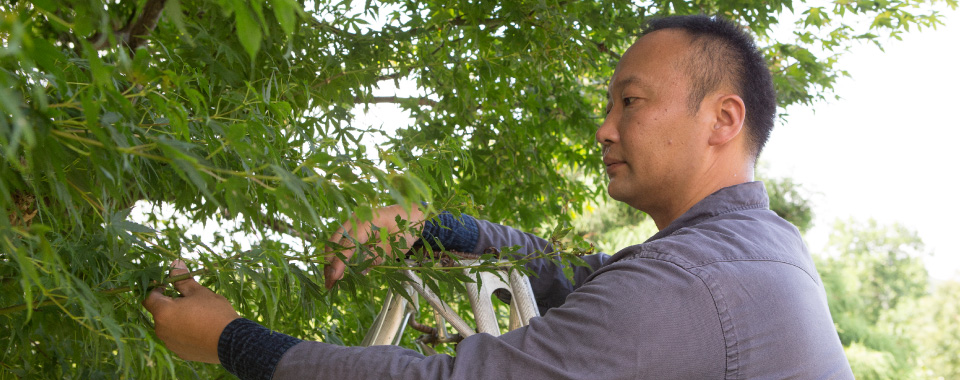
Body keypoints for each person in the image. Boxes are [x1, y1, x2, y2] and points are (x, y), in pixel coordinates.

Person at [143, 15, 855, 379]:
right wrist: (432, 228)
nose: (604, 128)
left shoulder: (693, 284)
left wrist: (235, 342)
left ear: (723, 120)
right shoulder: (754, 249)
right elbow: (572, 271)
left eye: (631, 102)